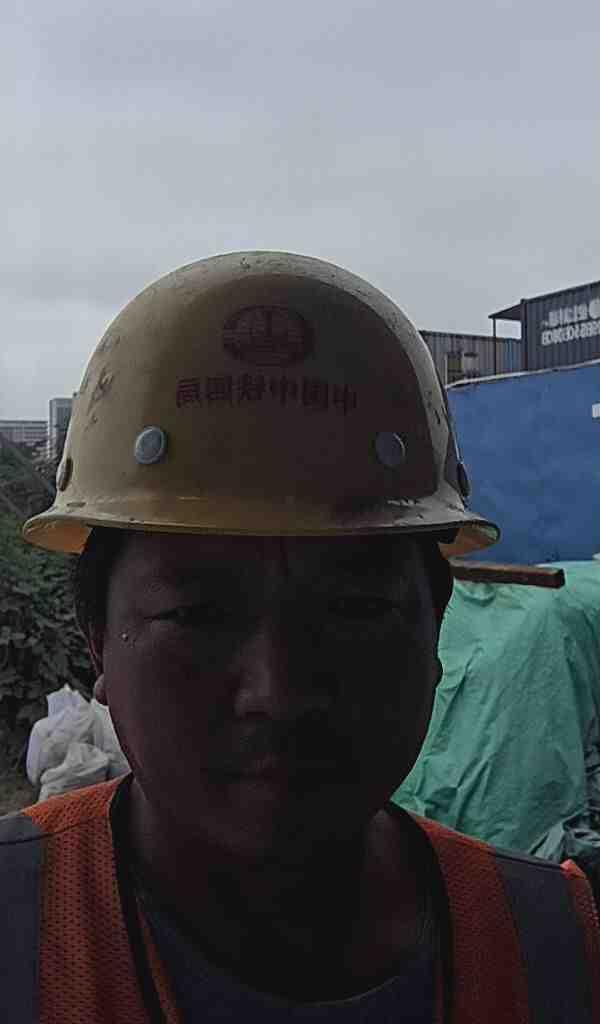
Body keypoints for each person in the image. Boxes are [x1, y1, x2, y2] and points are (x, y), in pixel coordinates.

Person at [1, 252, 598, 1023]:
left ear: (435, 623)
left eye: (354, 610)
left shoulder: (553, 947)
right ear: (97, 642)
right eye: (197, 616)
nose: (278, 692)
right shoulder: (19, 929)